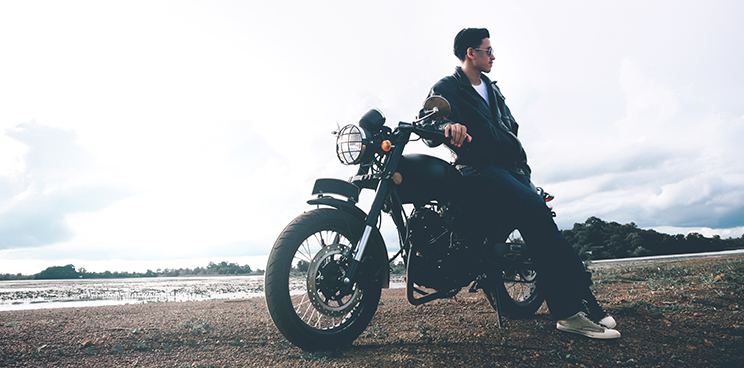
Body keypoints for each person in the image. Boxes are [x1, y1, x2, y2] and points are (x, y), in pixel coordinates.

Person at [420, 28, 620, 339]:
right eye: (488, 50)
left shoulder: (492, 89)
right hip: (478, 167)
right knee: (538, 216)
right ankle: (568, 313)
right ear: (471, 53)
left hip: (512, 168)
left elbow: (509, 126)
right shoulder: (449, 86)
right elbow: (429, 118)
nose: (493, 56)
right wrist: (448, 125)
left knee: (542, 227)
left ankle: (584, 298)